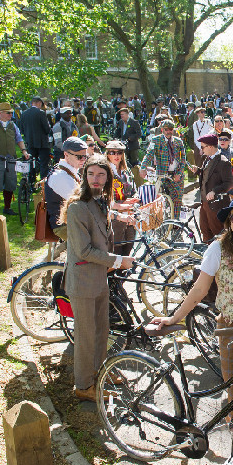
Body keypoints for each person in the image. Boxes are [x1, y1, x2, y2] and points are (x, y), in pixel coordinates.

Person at [146, 191, 233, 465]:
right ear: (229, 222)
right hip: (232, 323)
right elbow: (199, 289)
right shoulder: (218, 249)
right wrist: (174, 317)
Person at [61, 155, 134, 401]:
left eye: (101, 174)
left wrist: (120, 217)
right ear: (84, 176)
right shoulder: (77, 207)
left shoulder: (100, 201)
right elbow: (84, 251)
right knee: (85, 335)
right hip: (83, 281)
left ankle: (99, 371)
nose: (96, 178)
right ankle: (83, 386)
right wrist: (118, 261)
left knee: (102, 330)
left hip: (99, 277)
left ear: (108, 178)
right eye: (91, 173)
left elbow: (104, 232)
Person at [140, 119, 191, 219]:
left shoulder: (178, 142)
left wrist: (179, 173)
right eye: (166, 129)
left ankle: (175, 221)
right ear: (162, 130)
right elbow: (149, 154)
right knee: (161, 199)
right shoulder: (156, 140)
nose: (168, 132)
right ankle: (162, 220)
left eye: (170, 129)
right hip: (162, 175)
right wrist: (143, 167)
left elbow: (183, 159)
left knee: (177, 199)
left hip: (176, 175)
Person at [44, 137, 87, 245]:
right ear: (66, 155)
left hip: (75, 221)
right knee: (97, 240)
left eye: (85, 156)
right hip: (62, 226)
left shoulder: (70, 171)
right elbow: (82, 202)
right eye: (79, 157)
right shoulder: (60, 176)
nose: (83, 160)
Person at [197, 133, 233, 242]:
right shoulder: (207, 159)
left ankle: (222, 253)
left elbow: (229, 183)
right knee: (205, 232)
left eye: (203, 147)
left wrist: (214, 191)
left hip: (216, 205)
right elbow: (208, 176)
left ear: (210, 147)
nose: (201, 150)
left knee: (218, 234)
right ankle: (209, 252)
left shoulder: (223, 162)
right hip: (205, 203)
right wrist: (198, 171)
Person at [105, 140, 137, 256]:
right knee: (116, 251)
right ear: (107, 154)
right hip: (114, 218)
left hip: (129, 215)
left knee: (129, 246)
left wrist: (135, 199)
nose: (116, 155)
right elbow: (104, 198)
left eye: (119, 152)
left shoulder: (126, 171)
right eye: (112, 152)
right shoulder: (105, 172)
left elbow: (134, 190)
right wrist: (122, 203)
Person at [20, 96, 53, 181]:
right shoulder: (41, 113)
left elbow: (22, 129)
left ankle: (31, 181)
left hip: (30, 142)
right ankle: (43, 182)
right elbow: (47, 129)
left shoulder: (24, 114)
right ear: (39, 103)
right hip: (42, 143)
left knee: (31, 163)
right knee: (44, 164)